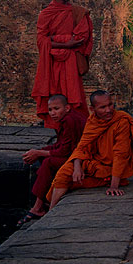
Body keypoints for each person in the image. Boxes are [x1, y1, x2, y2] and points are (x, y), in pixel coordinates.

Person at [46, 90, 133, 209]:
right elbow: (82, 146)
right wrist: (77, 167)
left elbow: (121, 154)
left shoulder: (122, 121)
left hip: (112, 167)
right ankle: (51, 210)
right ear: (92, 109)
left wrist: (114, 186)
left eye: (110, 105)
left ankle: (109, 180)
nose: (108, 110)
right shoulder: (92, 121)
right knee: (64, 172)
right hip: (94, 161)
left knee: (74, 182)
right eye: (102, 107)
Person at [31, 0, 93, 129]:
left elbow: (81, 37)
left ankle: (76, 129)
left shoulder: (78, 13)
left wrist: (54, 39)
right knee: (54, 94)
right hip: (52, 63)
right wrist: (66, 42)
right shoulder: (46, 14)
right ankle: (58, 131)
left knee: (74, 96)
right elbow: (41, 41)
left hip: (70, 62)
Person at [18, 94, 87, 225]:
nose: (53, 113)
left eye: (56, 108)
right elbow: (62, 144)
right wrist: (39, 152)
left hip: (82, 158)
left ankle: (38, 207)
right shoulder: (67, 118)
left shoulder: (69, 121)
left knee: (48, 162)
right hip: (73, 154)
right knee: (44, 154)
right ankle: (45, 198)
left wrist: (38, 152)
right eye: (50, 110)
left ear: (67, 108)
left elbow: (65, 151)